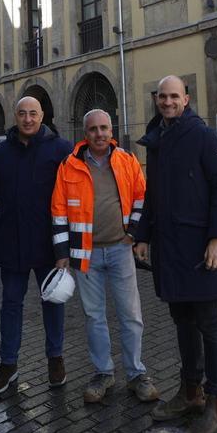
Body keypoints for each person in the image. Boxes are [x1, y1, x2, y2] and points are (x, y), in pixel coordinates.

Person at [133, 75, 217, 433]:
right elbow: (153, 194)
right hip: (169, 247)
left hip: (200, 248)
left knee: (210, 323)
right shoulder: (157, 137)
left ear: (186, 99)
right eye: (162, 96)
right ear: (157, 99)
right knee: (182, 320)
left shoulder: (204, 136)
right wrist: (143, 235)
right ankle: (191, 391)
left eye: (174, 96)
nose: (168, 101)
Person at [52, 109, 158, 404]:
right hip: (85, 255)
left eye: (104, 128)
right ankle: (103, 373)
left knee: (131, 315)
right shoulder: (69, 166)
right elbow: (59, 211)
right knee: (94, 317)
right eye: (93, 129)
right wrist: (62, 255)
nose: (99, 134)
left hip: (121, 250)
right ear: (84, 134)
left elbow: (141, 197)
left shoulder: (127, 161)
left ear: (112, 131)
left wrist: (135, 233)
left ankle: (137, 374)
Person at [0, 96, 74, 397]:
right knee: (11, 305)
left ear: (43, 115)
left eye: (33, 114)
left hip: (49, 243)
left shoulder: (61, 149)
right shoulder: (0, 152)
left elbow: (71, 191)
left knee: (53, 302)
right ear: (16, 115)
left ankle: (56, 358)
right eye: (22, 113)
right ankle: (8, 365)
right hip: (11, 240)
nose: (27, 119)